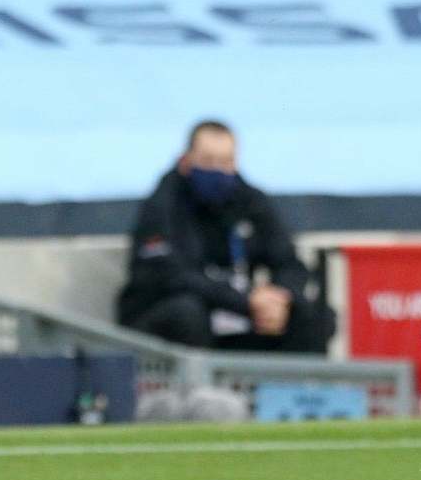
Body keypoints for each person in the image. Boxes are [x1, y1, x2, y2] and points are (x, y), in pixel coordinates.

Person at [115, 120, 336, 356]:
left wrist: (278, 300)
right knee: (187, 313)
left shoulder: (250, 200)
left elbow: (289, 262)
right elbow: (170, 276)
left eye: (225, 162)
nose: (217, 171)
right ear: (186, 161)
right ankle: (198, 393)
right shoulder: (163, 204)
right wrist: (244, 301)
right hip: (168, 319)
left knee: (314, 315)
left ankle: (289, 392)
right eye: (208, 161)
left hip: (236, 318)